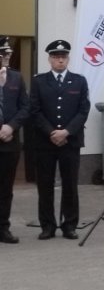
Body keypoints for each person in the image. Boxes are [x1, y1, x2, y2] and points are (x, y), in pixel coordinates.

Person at [29, 39, 91, 240]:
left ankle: (69, 225)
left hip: (70, 142)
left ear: (68, 58)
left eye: (63, 57)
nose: (60, 60)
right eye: (56, 57)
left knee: (70, 184)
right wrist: (51, 132)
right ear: (49, 59)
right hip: (45, 142)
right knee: (45, 185)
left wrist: (66, 132)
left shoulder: (79, 81)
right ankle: (47, 225)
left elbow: (83, 111)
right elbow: (35, 111)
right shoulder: (39, 81)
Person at [0, 37, 29, 244]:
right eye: (3, 53)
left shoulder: (16, 78)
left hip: (9, 143)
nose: (8, 56)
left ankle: (3, 228)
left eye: (8, 53)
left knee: (5, 188)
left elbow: (25, 107)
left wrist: (11, 126)